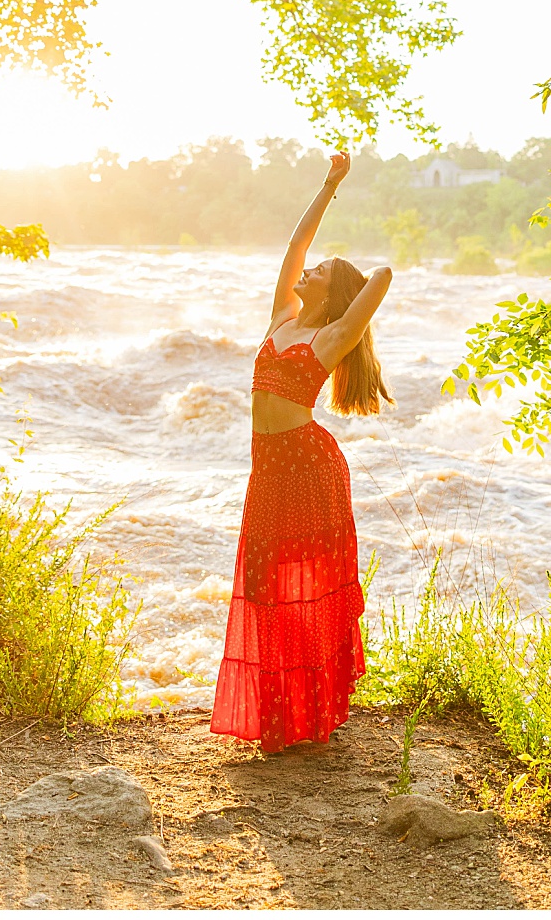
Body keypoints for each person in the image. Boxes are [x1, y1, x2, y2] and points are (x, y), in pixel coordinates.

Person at [210, 150, 393, 754]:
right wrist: (330, 184)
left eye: (318, 271)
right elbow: (295, 244)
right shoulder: (281, 318)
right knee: (265, 585)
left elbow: (381, 277)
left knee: (304, 587)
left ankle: (309, 714)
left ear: (332, 292)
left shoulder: (331, 336)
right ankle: (278, 715)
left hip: (309, 467)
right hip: (268, 470)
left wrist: (351, 278)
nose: (305, 270)